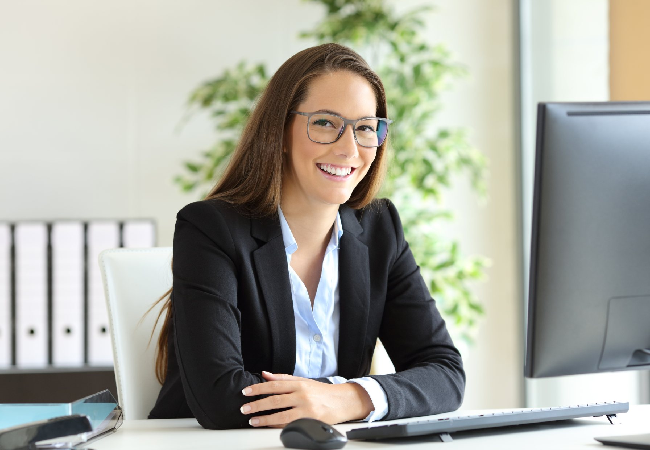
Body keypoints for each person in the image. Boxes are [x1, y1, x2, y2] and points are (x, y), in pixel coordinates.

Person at [147, 43, 465, 430]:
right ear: (280, 131)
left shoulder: (381, 230)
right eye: (326, 123)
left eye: (365, 128)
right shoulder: (211, 229)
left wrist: (347, 398)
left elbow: (445, 374)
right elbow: (219, 398)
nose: (349, 148)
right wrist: (334, 398)